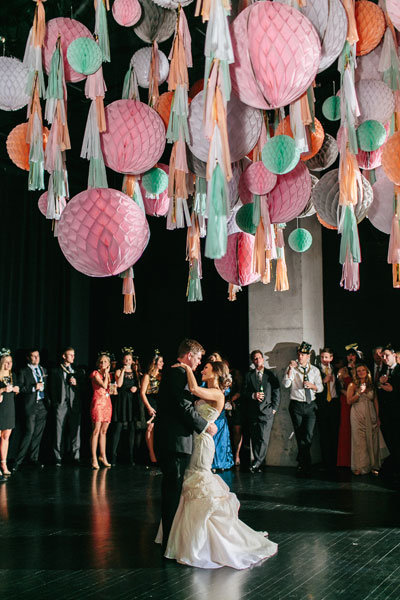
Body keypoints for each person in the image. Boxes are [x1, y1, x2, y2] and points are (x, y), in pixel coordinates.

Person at [158, 359, 278, 569]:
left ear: (215, 372)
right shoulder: (208, 390)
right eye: (200, 366)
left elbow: (193, 388)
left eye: (206, 367)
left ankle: (200, 540)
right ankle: (184, 536)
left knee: (199, 480)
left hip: (203, 442)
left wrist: (186, 367)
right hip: (194, 439)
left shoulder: (217, 394)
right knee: (189, 482)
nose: (202, 368)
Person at [154, 338, 217, 553]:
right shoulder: (178, 373)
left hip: (179, 440)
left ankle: (172, 537)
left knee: (174, 488)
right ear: (189, 355)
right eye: (198, 358)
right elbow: (183, 406)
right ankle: (170, 540)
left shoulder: (180, 373)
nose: (199, 363)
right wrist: (204, 425)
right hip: (175, 441)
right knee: (172, 490)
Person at [283, 341, 323, 476]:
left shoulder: (315, 370)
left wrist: (313, 386)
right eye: (299, 354)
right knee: (300, 434)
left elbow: (321, 388)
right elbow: (286, 384)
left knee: (308, 435)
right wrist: (290, 369)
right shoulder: (293, 368)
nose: (300, 357)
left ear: (308, 356)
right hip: (296, 405)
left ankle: (302, 460)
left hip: (310, 405)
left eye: (303, 355)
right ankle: (305, 463)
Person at [242, 349, 280, 473]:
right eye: (255, 359)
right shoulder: (248, 375)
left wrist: (274, 408)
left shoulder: (270, 374)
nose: (258, 361)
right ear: (253, 361)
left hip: (267, 411)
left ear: (263, 359)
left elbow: (276, 392)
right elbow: (244, 392)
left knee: (264, 438)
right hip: (253, 411)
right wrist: (253, 395)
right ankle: (259, 463)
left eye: (259, 358)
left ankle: (257, 463)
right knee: (255, 437)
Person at [13, 349, 49, 471]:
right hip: (30, 405)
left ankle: (33, 459)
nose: (36, 358)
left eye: (37, 356)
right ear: (28, 358)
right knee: (29, 432)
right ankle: (18, 461)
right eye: (33, 356)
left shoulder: (43, 370)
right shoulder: (23, 371)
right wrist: (34, 387)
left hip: (42, 405)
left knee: (38, 434)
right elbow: (20, 388)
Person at [49, 347, 82, 467]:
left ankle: (75, 456)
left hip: (74, 405)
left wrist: (76, 383)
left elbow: (83, 388)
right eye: (71, 355)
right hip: (61, 404)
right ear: (64, 356)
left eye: (74, 355)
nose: (73, 357)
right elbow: (51, 388)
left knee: (75, 431)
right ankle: (57, 457)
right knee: (58, 431)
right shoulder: (55, 370)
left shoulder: (77, 371)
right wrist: (55, 403)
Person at [347, 363, 380, 476]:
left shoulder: (372, 385)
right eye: (358, 371)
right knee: (359, 441)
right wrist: (358, 393)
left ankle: (373, 465)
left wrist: (378, 416)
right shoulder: (352, 385)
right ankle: (359, 466)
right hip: (357, 414)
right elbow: (349, 401)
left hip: (371, 414)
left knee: (372, 439)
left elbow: (375, 402)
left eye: (363, 370)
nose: (361, 372)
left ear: (367, 372)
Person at [111, 348, 139, 466]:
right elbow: (120, 384)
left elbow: (138, 385)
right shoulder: (118, 371)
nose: (127, 361)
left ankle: (131, 457)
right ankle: (113, 456)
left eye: (129, 359)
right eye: (126, 359)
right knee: (118, 427)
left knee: (132, 429)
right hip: (122, 400)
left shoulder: (135, 372)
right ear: (123, 360)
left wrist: (136, 388)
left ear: (132, 361)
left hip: (131, 401)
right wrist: (123, 371)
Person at [316, 347, 340, 471]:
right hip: (323, 404)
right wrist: (323, 381)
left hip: (334, 404)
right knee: (324, 434)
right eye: (322, 357)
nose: (324, 359)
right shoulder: (316, 370)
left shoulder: (336, 369)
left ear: (331, 358)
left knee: (334, 433)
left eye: (326, 357)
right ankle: (326, 462)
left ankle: (336, 461)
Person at [377, 345, 400, 477]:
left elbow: (393, 389)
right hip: (386, 413)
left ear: (394, 356)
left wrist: (393, 389)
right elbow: (379, 391)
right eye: (383, 356)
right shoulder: (383, 371)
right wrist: (380, 384)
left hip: (397, 411)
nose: (385, 358)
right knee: (389, 438)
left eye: (387, 355)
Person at [336, 345, 359, 468]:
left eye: (353, 355)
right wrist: (349, 395)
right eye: (349, 355)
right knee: (346, 427)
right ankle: (345, 460)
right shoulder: (343, 370)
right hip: (346, 401)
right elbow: (339, 387)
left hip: (358, 401)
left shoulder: (361, 369)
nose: (350, 357)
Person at [140, 350, 163, 467]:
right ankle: (151, 455)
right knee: (150, 427)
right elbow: (142, 393)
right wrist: (148, 407)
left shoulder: (161, 375)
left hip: (160, 402)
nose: (162, 363)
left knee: (157, 429)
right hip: (151, 402)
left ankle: (158, 454)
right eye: (161, 361)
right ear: (155, 362)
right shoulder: (147, 375)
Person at [90, 353, 113, 469]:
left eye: (105, 362)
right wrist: (107, 374)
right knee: (96, 430)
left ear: (109, 364)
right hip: (98, 403)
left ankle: (103, 456)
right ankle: (94, 457)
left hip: (107, 403)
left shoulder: (109, 375)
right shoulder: (95, 373)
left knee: (104, 431)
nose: (103, 364)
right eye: (101, 362)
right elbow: (104, 385)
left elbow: (114, 387)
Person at [0, 348, 19, 479]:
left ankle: (3, 464)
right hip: (0, 407)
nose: (9, 365)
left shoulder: (13, 376)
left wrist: (16, 389)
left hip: (9, 408)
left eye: (10, 362)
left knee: (6, 437)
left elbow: (16, 389)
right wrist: (2, 389)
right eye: (6, 362)